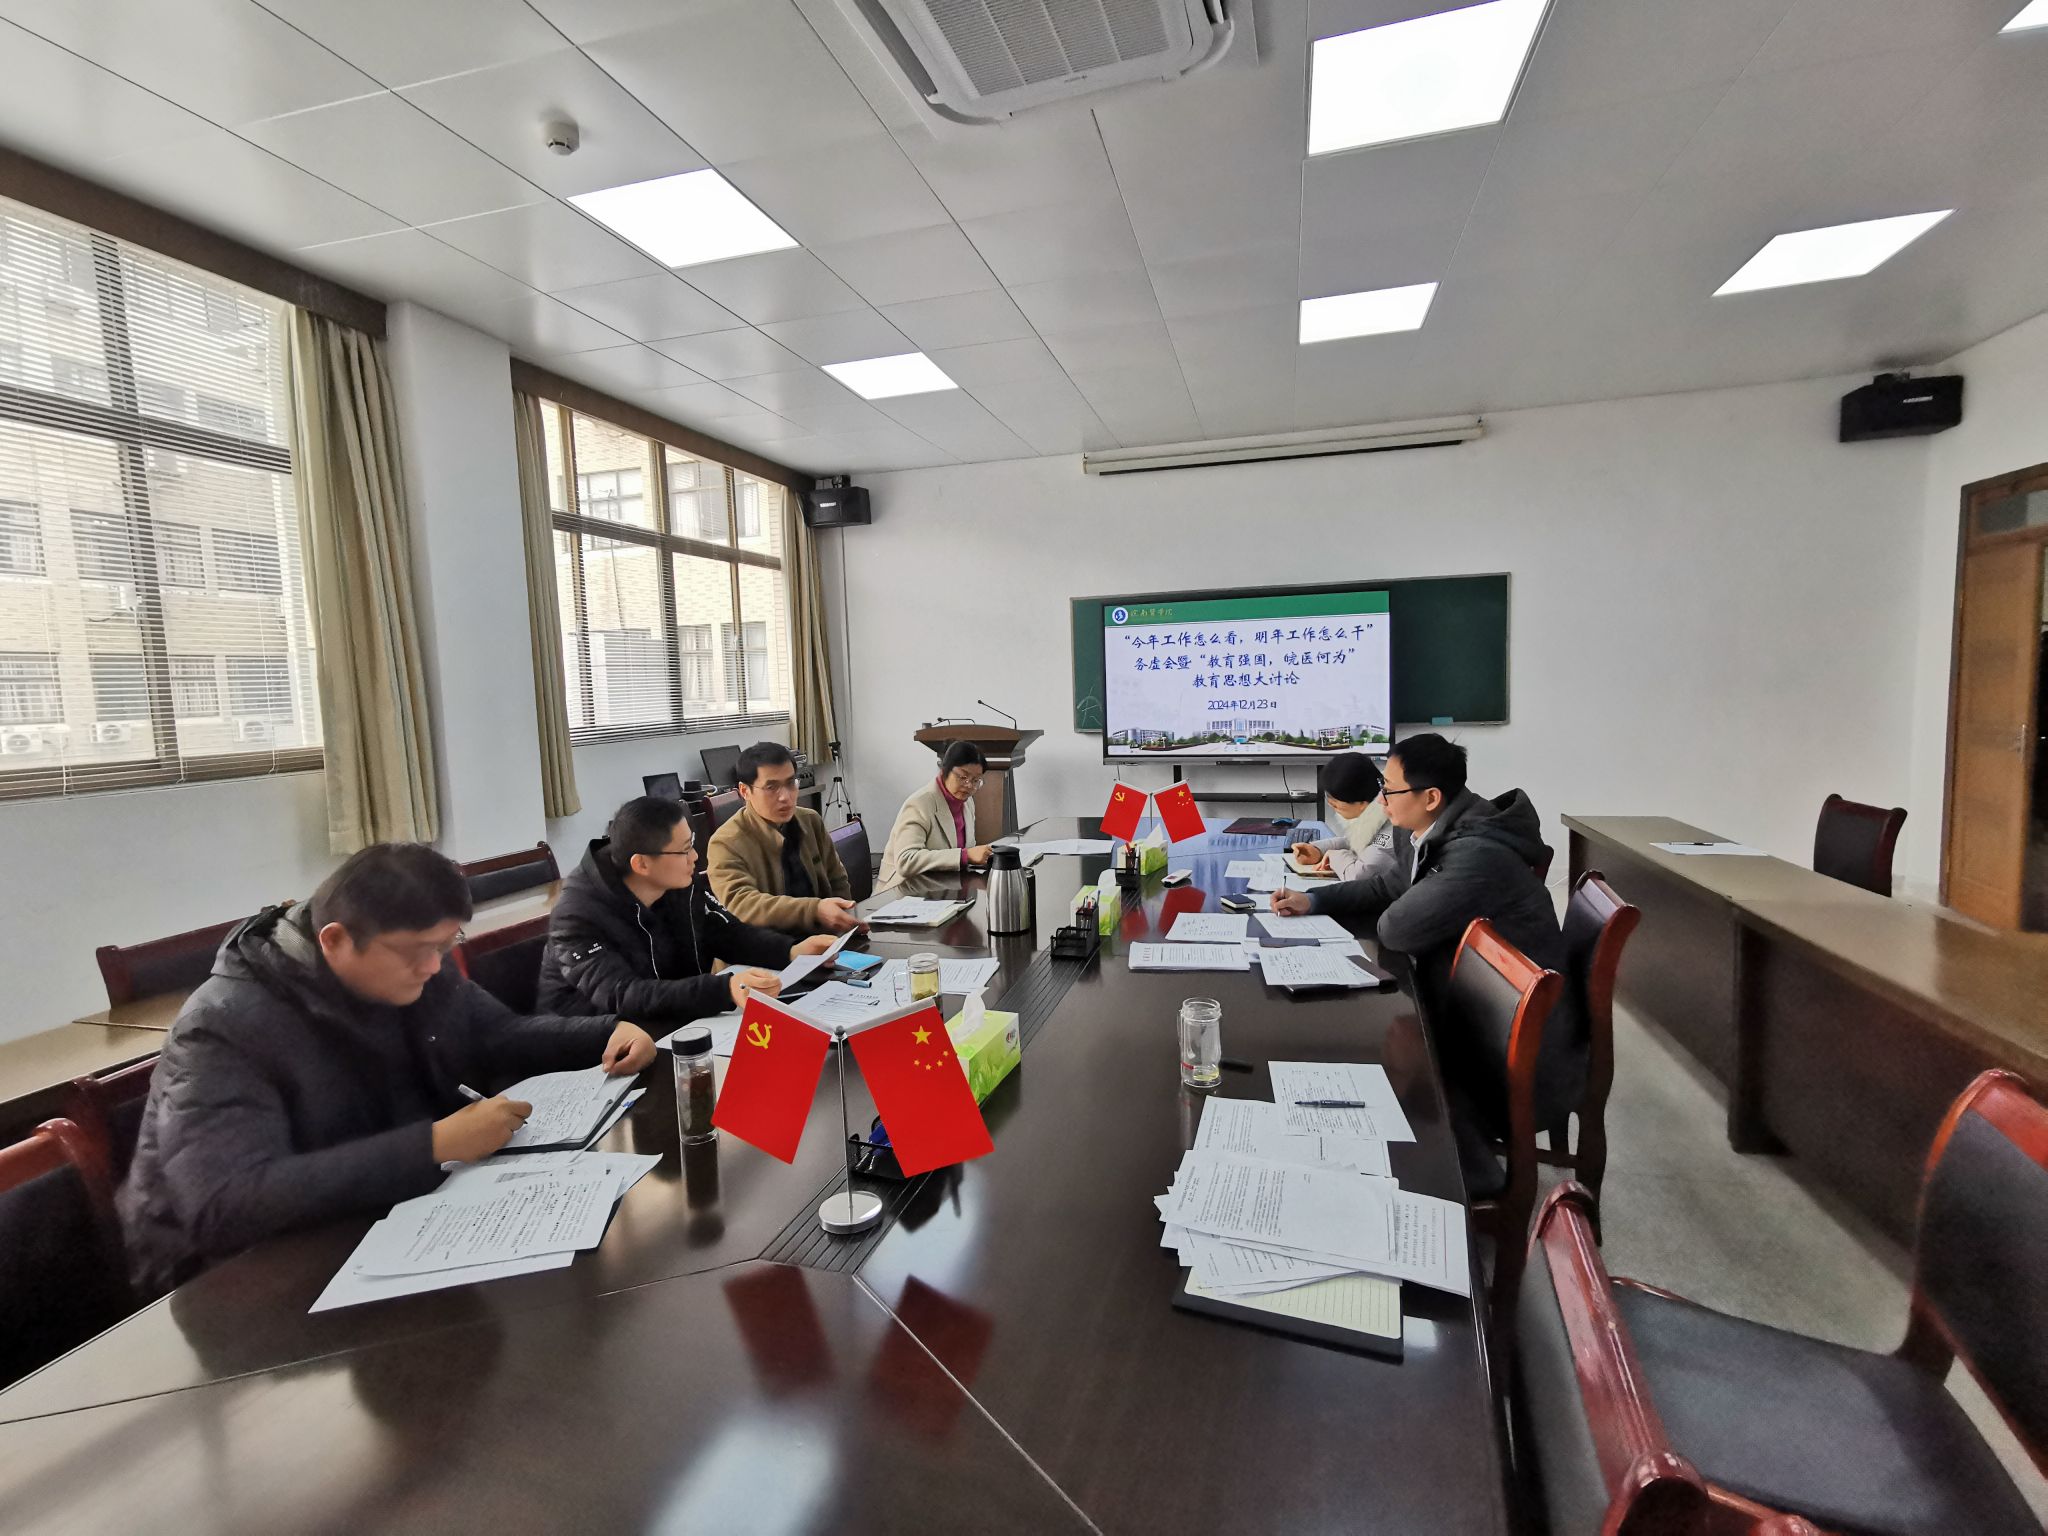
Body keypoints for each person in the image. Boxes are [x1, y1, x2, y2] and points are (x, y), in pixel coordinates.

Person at [118, 844, 654, 1295]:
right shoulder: (221, 1027)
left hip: (381, 1219)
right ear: (334, 940)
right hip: (236, 1283)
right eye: (418, 952)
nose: (434, 966)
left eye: (445, 945)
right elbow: (224, 1205)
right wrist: (434, 1144)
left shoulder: (411, 963)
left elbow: (495, 1033)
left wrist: (606, 1032)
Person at [1269, 734, 1581, 1131]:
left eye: (1389, 790)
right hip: (1473, 1008)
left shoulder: (1476, 854)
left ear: (1431, 798)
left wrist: (1402, 899)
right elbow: (1388, 887)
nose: (1381, 800)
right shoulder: (1427, 830)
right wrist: (1313, 900)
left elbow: (1396, 930)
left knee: (1366, 1066)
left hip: (1510, 1057)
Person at [540, 795, 838, 1025]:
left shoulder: (677, 880)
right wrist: (724, 990)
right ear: (641, 863)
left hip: (677, 1023)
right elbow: (624, 994)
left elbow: (725, 932)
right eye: (684, 850)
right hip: (601, 1045)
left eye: (692, 844)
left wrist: (791, 951)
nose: (695, 856)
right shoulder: (576, 916)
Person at [706, 741, 858, 934]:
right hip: (768, 947)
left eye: (790, 783)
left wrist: (845, 923)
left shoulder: (810, 821)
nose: (785, 797)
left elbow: (837, 880)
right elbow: (743, 904)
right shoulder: (725, 842)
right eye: (771, 787)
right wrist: (814, 910)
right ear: (745, 791)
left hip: (826, 938)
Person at [879, 741, 997, 889]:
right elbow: (905, 860)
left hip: (942, 886)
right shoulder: (920, 803)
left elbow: (965, 851)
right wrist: (964, 856)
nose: (969, 786)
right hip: (903, 890)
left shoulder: (967, 803)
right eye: (963, 777)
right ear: (944, 770)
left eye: (975, 780)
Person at [1288, 752, 1398, 882]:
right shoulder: (1374, 817)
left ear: (1362, 803)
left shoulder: (1392, 828)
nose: (1330, 805)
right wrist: (1317, 850)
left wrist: (1335, 856)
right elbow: (1355, 842)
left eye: (1336, 804)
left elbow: (1358, 876)